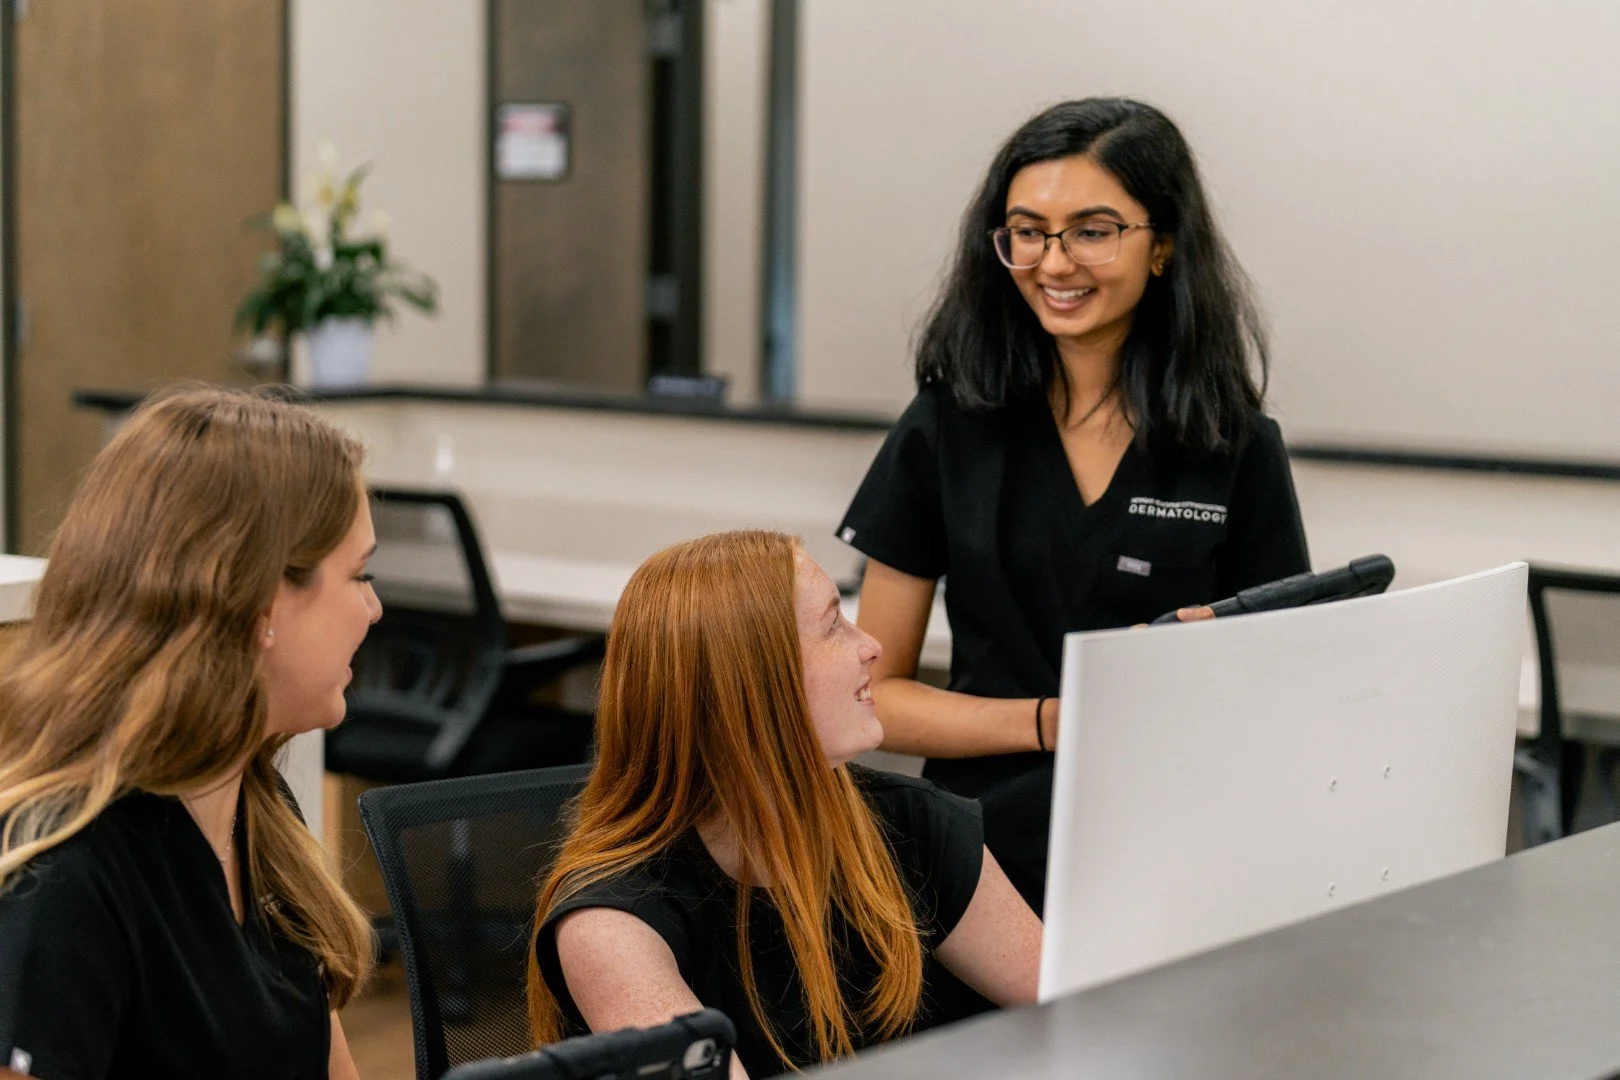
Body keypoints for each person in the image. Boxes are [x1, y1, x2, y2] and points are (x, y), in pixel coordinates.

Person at [838, 98, 1311, 913]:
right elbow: (873, 693)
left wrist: (1219, 669)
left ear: (1161, 244)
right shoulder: (948, 428)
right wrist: (1056, 721)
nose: (1054, 264)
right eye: (1028, 231)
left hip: (1176, 848)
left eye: (1093, 230)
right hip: (981, 865)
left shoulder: (1234, 446)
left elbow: (1292, 685)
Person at [527, 531, 1041, 1080]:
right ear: (753, 684)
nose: (872, 645)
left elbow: (1094, 1007)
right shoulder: (614, 921)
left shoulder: (913, 824)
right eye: (833, 625)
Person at [0, 386, 383, 1080]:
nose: (374, 607)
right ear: (264, 601)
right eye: (359, 575)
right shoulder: (65, 878)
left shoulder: (257, 816)